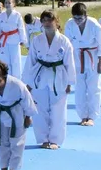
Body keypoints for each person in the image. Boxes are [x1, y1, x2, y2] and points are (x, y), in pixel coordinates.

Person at [21, 10, 75, 150]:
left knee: (59, 110)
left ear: (56, 22)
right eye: (44, 20)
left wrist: (70, 82)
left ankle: (55, 139)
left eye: (49, 20)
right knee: (39, 109)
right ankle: (43, 139)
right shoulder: (37, 40)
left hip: (59, 77)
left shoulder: (64, 40)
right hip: (40, 76)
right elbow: (31, 61)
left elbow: (69, 62)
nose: (46, 23)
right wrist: (28, 82)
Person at [64, 3, 101, 126]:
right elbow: (67, 44)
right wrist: (67, 63)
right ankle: (82, 115)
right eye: (75, 18)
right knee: (79, 88)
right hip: (76, 57)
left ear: (86, 15)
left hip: (93, 57)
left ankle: (92, 116)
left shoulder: (95, 25)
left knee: (93, 88)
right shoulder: (70, 24)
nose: (77, 21)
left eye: (80, 18)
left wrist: (100, 62)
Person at [0, 0, 28, 79]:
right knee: (5, 60)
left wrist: (23, 40)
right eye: (6, 2)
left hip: (14, 40)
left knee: (15, 61)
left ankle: (16, 79)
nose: (7, 4)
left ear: (13, 4)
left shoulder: (17, 15)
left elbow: (21, 28)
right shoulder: (1, 15)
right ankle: (7, 78)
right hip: (3, 40)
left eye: (9, 2)